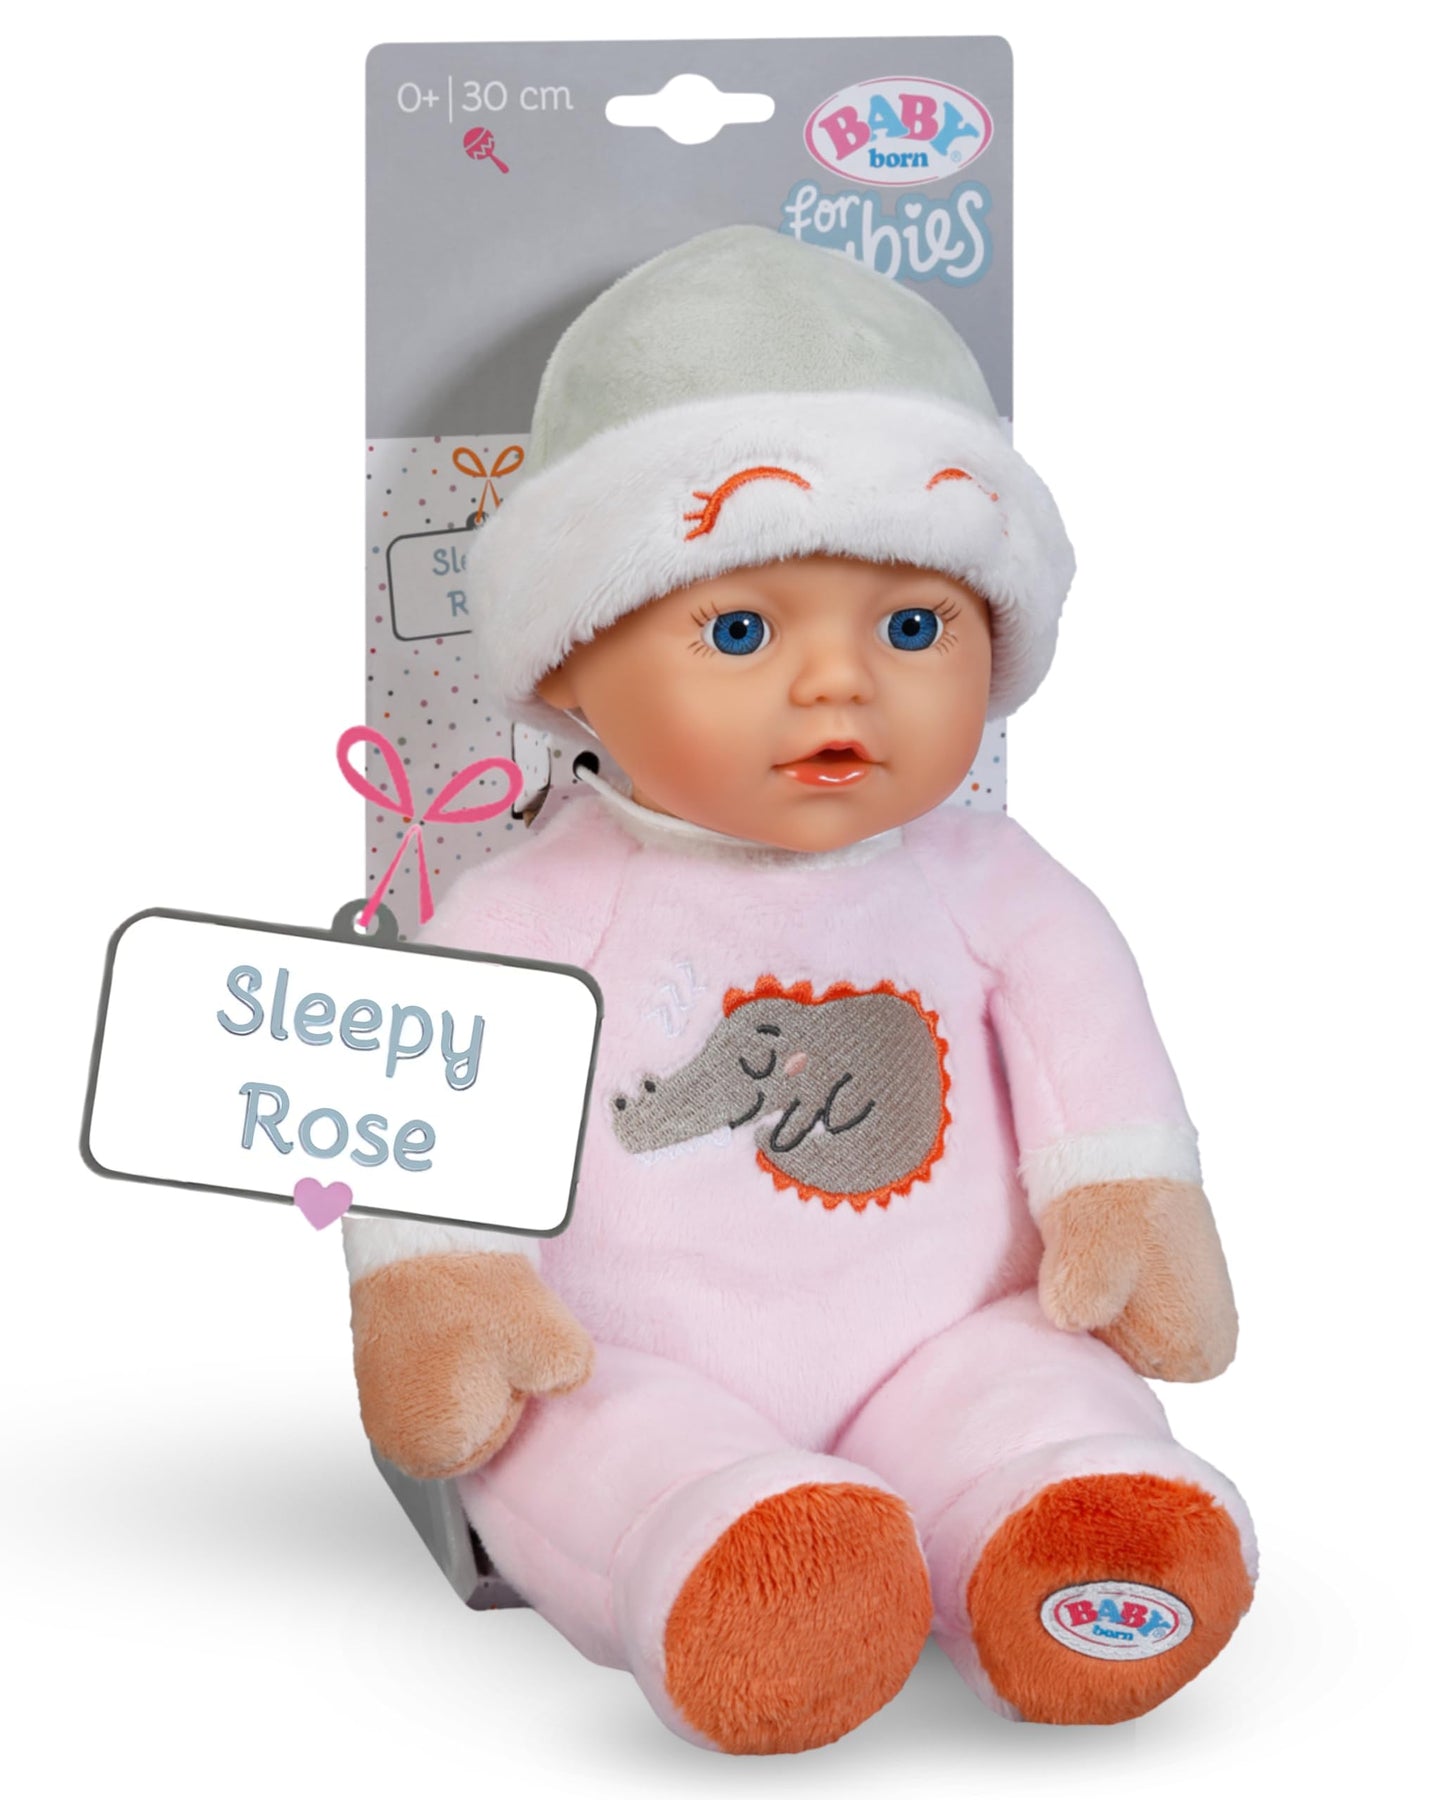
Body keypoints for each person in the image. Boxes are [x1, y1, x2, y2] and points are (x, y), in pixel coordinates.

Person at [341, 225, 1255, 1754]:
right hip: (621, 1361)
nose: (841, 683)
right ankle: (746, 1570)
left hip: (952, 1334)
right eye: (741, 628)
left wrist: (1131, 1203)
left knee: (1043, 1396)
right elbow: (431, 1108)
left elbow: (1091, 1052)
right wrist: (441, 1279)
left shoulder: (991, 883)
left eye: (913, 626)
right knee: (602, 1451)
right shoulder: (526, 915)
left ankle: (1063, 1529)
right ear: (570, 665)